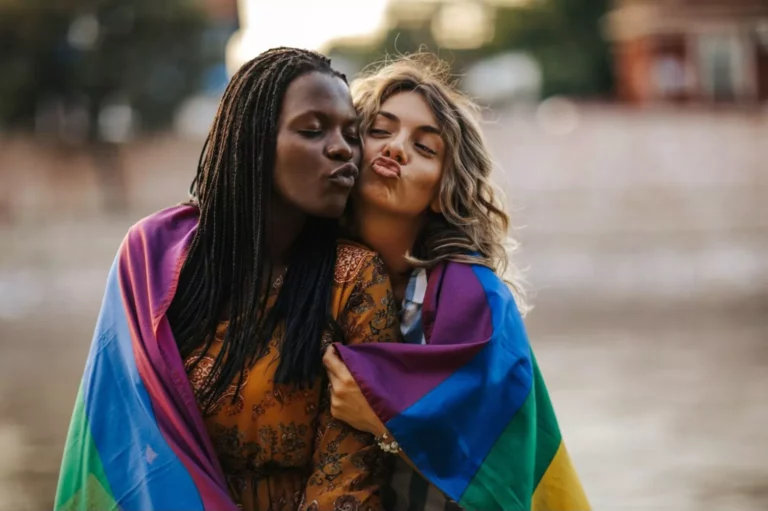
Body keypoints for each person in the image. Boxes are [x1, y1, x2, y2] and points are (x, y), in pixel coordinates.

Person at [55, 47, 398, 511]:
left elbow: (349, 479)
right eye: (313, 130)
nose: (343, 149)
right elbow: (123, 441)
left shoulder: (354, 278)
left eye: (351, 135)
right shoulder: (157, 263)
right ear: (253, 142)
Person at [323, 55, 590, 511]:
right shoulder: (291, 272)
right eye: (380, 130)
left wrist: (388, 426)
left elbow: (503, 478)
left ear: (443, 191)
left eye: (424, 148)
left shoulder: (481, 307)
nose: (396, 149)